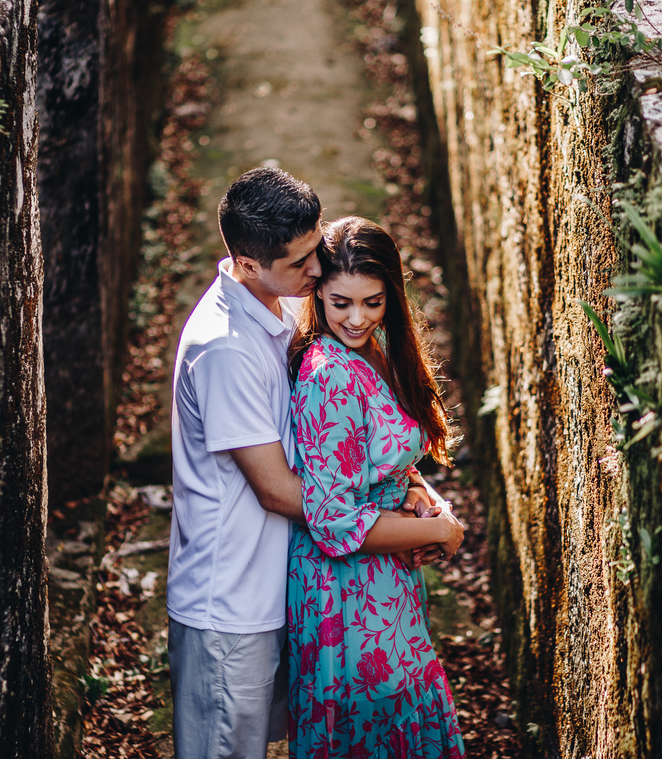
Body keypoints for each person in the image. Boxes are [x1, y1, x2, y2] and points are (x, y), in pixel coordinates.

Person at [168, 169, 453, 759]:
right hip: (231, 598)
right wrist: (403, 526)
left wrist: (404, 488)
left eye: (314, 248)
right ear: (247, 263)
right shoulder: (226, 347)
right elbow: (281, 491)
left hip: (280, 580)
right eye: (303, 262)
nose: (318, 270)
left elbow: (338, 448)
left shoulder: (275, 313)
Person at [286, 216, 466, 758]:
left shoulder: (376, 347)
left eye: (374, 301)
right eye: (341, 303)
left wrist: (419, 495)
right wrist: (439, 530)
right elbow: (334, 520)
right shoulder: (328, 376)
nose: (358, 318)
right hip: (344, 592)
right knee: (368, 724)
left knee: (397, 716)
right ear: (317, 291)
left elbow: (382, 461)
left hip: (385, 577)